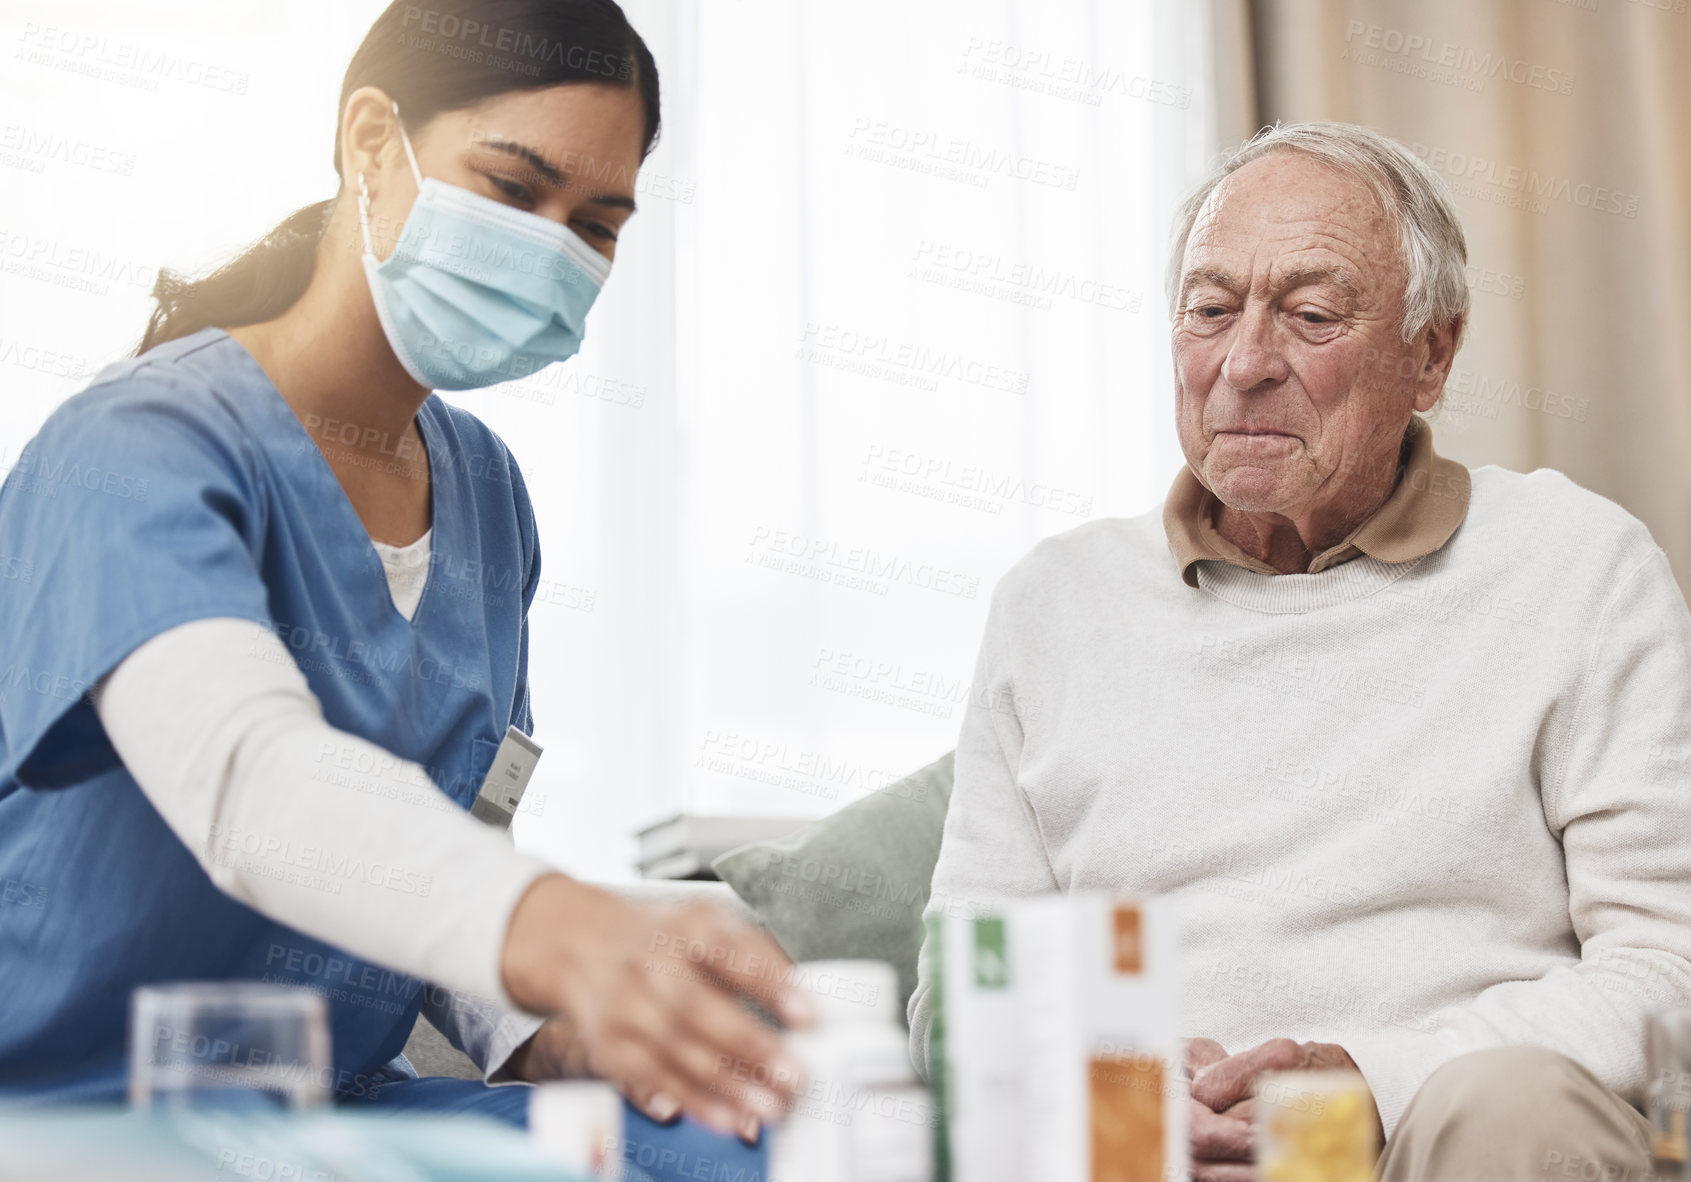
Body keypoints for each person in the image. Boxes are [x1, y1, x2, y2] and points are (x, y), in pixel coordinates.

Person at [0, 0, 807, 1142]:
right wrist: (561, 929)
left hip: (334, 1104)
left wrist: (538, 1027)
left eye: (597, 223)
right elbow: (253, 782)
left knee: (755, 1139)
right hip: (77, 1104)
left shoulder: (485, 494)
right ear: (371, 143)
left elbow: (458, 832)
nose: (553, 251)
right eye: (514, 191)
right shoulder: (133, 450)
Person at [908, 121, 1691, 1181]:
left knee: (1510, 1107)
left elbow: (1665, 965)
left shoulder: (1577, 569)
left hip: (1439, 1136)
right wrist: (1120, 1081)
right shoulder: (1053, 605)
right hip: (1144, 1147)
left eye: (1310, 315)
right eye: (1208, 309)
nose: (1241, 364)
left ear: (1431, 354)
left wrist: (1373, 1079)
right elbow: (963, 993)